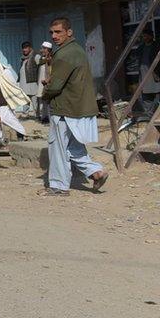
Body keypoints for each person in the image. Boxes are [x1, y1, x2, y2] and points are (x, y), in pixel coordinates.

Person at [39, 17, 108, 196]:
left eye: (58, 32)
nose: (54, 36)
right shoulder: (75, 50)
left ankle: (58, 186)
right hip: (77, 106)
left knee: (58, 147)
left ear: (69, 32)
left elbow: (55, 86)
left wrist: (45, 95)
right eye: (52, 33)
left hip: (65, 108)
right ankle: (96, 172)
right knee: (73, 147)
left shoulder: (64, 53)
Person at [133, 31, 160, 115]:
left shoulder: (156, 46)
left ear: (151, 36)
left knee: (157, 90)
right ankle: (149, 113)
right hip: (144, 73)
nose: (145, 38)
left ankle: (156, 112)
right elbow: (136, 55)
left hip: (154, 73)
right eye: (144, 36)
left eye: (147, 36)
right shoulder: (141, 47)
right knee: (145, 93)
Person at [18, 41, 41, 116]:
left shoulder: (36, 56)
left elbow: (40, 68)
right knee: (25, 99)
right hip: (23, 83)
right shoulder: (22, 58)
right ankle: (25, 113)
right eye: (23, 48)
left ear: (30, 48)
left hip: (32, 82)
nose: (24, 50)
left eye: (26, 48)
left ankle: (37, 114)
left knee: (34, 99)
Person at [36, 41, 53, 123]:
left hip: (48, 82)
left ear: (47, 49)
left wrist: (48, 80)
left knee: (48, 101)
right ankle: (44, 117)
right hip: (41, 82)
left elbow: (52, 71)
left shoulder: (51, 58)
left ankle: (50, 118)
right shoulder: (41, 59)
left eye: (43, 48)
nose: (41, 50)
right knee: (42, 100)